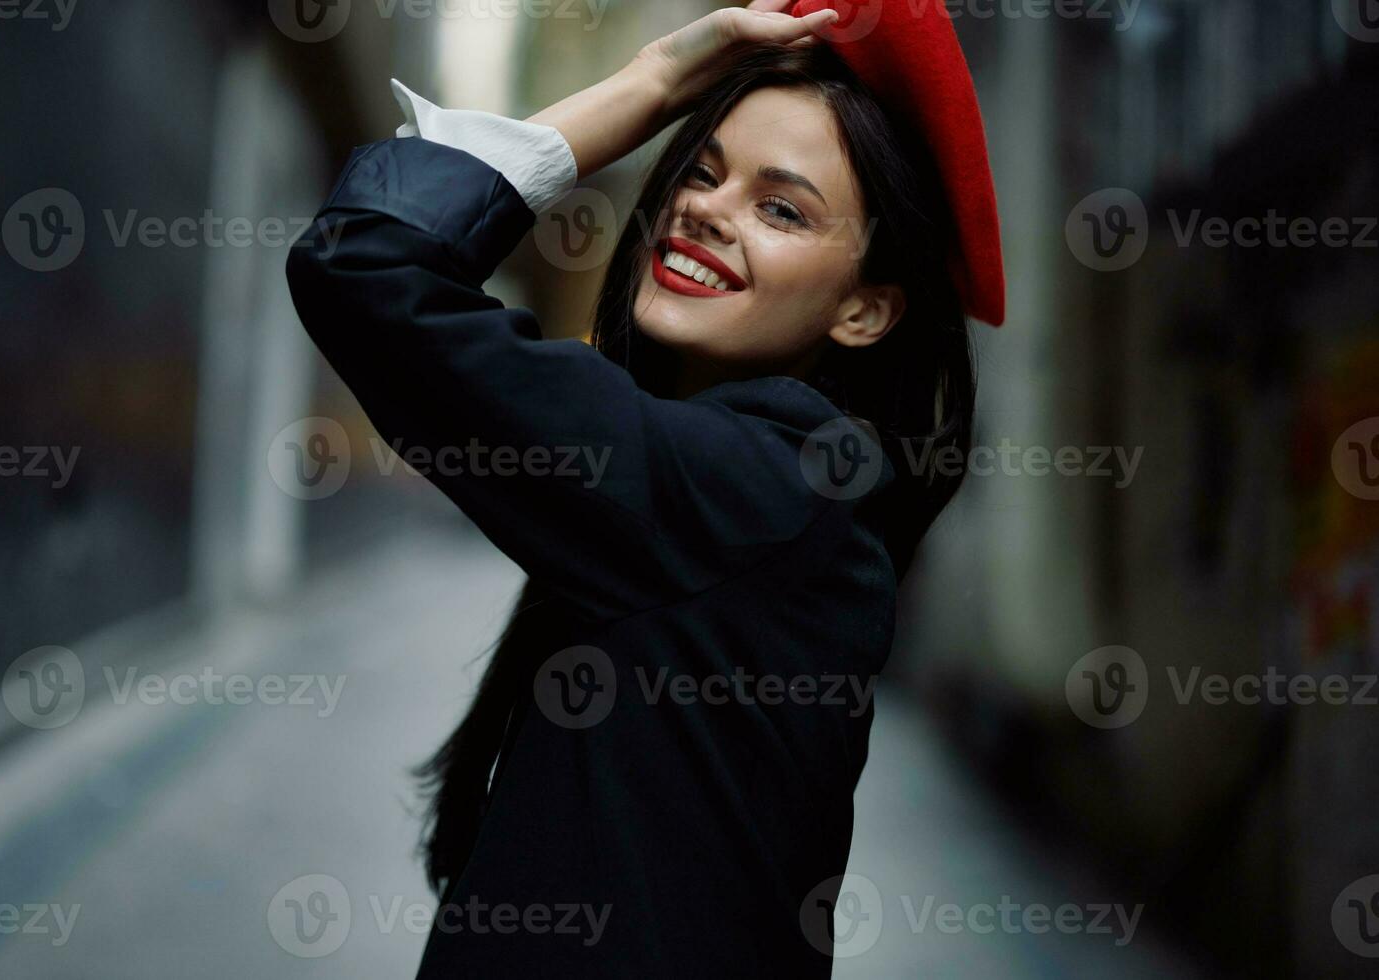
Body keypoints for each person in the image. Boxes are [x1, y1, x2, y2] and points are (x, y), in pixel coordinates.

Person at [285, 1, 1004, 974]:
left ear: (867, 310)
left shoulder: (761, 482)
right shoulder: (784, 482)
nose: (706, 206)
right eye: (700, 170)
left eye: (781, 206)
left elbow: (369, 264)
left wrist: (654, 81)